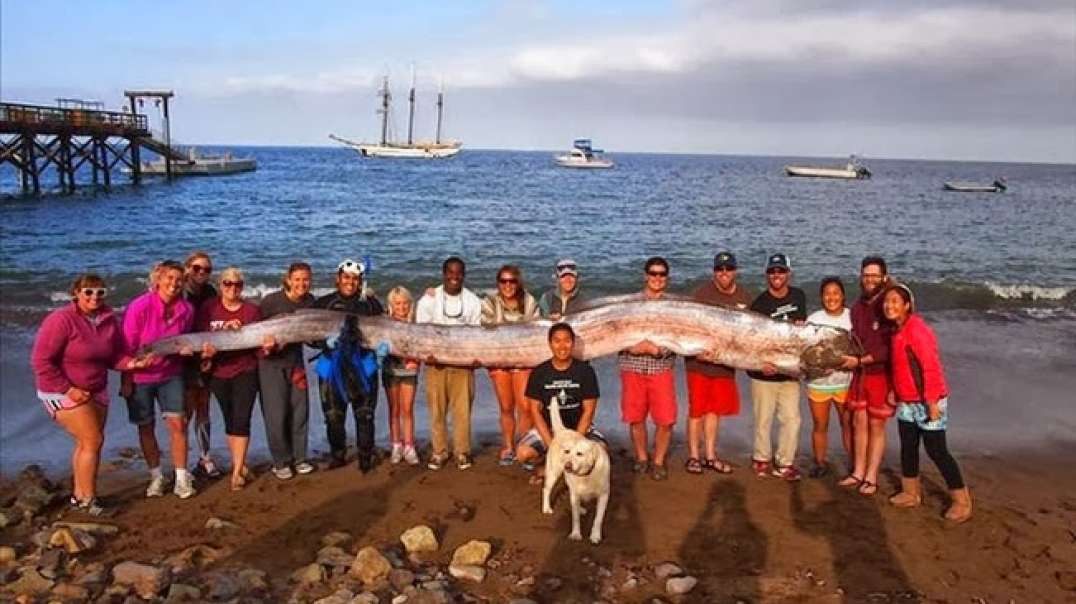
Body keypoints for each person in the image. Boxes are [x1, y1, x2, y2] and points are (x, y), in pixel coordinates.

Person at [31, 274, 151, 515]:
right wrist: (69, 390)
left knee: (86, 443)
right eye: (88, 292)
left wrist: (133, 365)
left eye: (100, 292)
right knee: (93, 441)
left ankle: (79, 496)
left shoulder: (108, 319)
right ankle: (88, 500)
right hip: (60, 390)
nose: (94, 297)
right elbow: (41, 361)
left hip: (96, 389)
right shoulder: (61, 319)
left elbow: (114, 356)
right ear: (76, 293)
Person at [883, 283, 972, 523]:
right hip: (907, 402)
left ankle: (962, 502)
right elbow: (899, 367)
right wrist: (894, 391)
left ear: (907, 306)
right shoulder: (896, 330)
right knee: (908, 447)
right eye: (886, 302)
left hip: (929, 400)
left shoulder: (917, 330)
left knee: (937, 451)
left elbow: (930, 367)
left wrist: (932, 402)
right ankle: (910, 492)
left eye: (895, 302)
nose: (889, 306)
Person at [122, 260, 201, 499]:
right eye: (169, 278)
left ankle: (180, 477)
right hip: (140, 376)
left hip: (171, 374)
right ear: (158, 280)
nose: (174, 284)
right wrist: (126, 379)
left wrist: (187, 351)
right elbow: (127, 346)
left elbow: (183, 341)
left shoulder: (187, 310)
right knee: (146, 426)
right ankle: (156, 476)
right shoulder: (139, 306)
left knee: (178, 424)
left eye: (179, 280)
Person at [195, 268, 266, 491]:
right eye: (227, 283)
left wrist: (268, 348)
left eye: (237, 284)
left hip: (245, 370)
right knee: (229, 419)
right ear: (220, 285)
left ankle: (236, 473)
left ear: (242, 287)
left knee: (242, 418)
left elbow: (258, 345)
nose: (232, 288)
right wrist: (204, 355)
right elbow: (200, 335)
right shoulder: (209, 308)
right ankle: (240, 463)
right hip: (218, 372)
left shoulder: (251, 311)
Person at [683, 251, 753, 475]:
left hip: (725, 364)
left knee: (714, 411)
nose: (724, 273)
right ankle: (694, 456)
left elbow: (749, 334)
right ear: (714, 272)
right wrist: (698, 351)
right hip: (699, 363)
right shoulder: (701, 294)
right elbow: (688, 326)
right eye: (719, 269)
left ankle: (710, 455)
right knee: (697, 411)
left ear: (736, 271)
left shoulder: (744, 296)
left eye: (728, 269)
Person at [314, 259, 384, 472]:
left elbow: (384, 331)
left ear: (360, 281)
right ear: (338, 279)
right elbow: (307, 334)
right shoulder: (324, 303)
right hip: (331, 367)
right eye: (346, 278)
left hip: (363, 366)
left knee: (365, 414)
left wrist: (382, 352)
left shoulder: (371, 304)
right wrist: (322, 342)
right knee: (333, 416)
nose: (350, 282)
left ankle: (365, 457)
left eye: (355, 279)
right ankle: (338, 455)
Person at [415, 256, 483, 471]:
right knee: (437, 411)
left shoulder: (473, 301)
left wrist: (475, 358)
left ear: (463, 275)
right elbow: (421, 332)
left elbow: (477, 333)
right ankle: (439, 451)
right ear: (444, 274)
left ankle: (462, 452)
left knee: (462, 411)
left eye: (459, 273)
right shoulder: (428, 300)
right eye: (450, 272)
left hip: (463, 365)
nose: (454, 276)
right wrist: (428, 355)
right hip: (436, 365)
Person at [516, 323, 604, 482]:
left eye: (567, 341)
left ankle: (565, 468)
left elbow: (589, 411)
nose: (562, 346)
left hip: (579, 429)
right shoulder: (539, 372)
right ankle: (547, 465)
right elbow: (535, 411)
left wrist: (575, 443)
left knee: (601, 452)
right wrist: (553, 446)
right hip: (550, 430)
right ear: (550, 343)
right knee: (523, 453)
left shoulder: (585, 371)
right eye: (557, 341)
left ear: (573, 343)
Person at [747, 253, 808, 482]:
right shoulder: (759, 303)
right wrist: (761, 365)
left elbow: (797, 333)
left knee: (792, 419)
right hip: (763, 371)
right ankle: (761, 458)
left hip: (789, 371)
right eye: (772, 272)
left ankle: (785, 462)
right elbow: (752, 340)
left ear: (788, 274)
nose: (777, 275)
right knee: (763, 419)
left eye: (781, 271)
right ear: (766, 276)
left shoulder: (798, 296)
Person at [838, 256, 894, 496]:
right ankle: (858, 472)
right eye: (866, 275)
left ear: (884, 276)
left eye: (874, 275)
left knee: (876, 425)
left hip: (880, 373)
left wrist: (860, 360)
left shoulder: (889, 303)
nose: (870, 279)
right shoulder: (859, 306)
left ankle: (871, 476)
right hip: (860, 375)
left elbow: (887, 348)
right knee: (858, 422)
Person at [618, 257, 677, 481]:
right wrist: (632, 347)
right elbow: (614, 331)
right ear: (646, 276)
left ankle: (659, 461)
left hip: (661, 367)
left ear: (667, 278)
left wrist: (657, 350)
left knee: (666, 419)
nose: (657, 278)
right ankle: (642, 457)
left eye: (662, 274)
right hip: (631, 366)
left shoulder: (675, 306)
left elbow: (680, 335)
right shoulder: (628, 303)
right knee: (635, 417)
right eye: (653, 273)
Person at [258, 262, 316, 479]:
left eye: (306, 279)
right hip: (270, 364)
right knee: (276, 414)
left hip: (296, 362)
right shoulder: (271, 302)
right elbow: (254, 332)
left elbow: (312, 337)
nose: (302, 283)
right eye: (298, 279)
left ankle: (300, 458)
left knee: (300, 411)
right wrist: (266, 346)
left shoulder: (310, 302)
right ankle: (280, 461)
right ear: (288, 280)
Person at [481, 265, 540, 465]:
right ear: (498, 283)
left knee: (525, 407)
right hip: (499, 359)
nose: (508, 285)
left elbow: (536, 330)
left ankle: (524, 446)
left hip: (523, 359)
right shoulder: (489, 302)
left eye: (512, 281)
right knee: (506, 406)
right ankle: (508, 446)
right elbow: (486, 330)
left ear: (518, 282)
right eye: (503, 281)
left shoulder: (530, 301)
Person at [804, 277, 853, 479]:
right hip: (819, 383)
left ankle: (855, 463)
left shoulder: (852, 318)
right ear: (822, 297)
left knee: (848, 424)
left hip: (846, 383)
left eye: (835, 293)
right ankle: (820, 462)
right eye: (827, 294)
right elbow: (805, 351)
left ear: (842, 296)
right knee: (820, 425)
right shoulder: (814, 319)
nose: (831, 297)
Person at [182, 251, 221, 479]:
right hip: (182, 357)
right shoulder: (179, 291)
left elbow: (212, 325)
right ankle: (182, 463)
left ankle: (204, 457)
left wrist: (208, 356)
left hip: (204, 353)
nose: (201, 273)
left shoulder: (210, 292)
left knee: (203, 407)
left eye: (206, 270)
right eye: (197, 268)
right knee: (185, 410)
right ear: (188, 268)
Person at [382, 286, 421, 465]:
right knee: (394, 409)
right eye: (398, 303)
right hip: (390, 368)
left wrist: (416, 361)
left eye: (405, 303)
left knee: (407, 409)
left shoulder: (415, 323)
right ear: (391, 305)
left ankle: (409, 446)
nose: (402, 307)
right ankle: (396, 445)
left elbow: (422, 345)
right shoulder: (385, 322)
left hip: (409, 369)